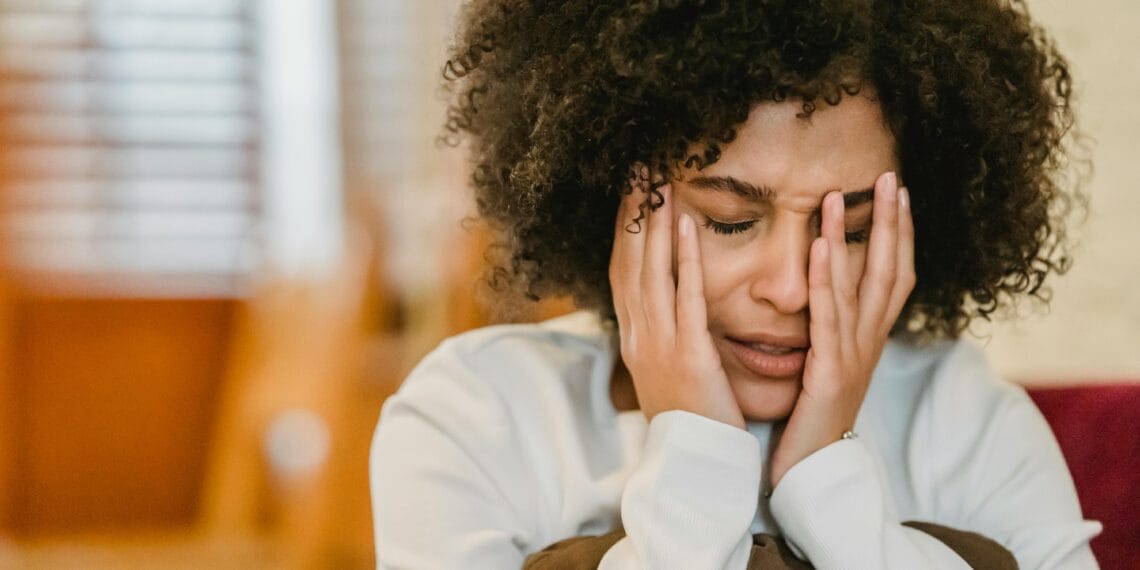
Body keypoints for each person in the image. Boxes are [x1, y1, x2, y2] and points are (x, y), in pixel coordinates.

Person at [370, 0, 1102, 567]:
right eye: (728, 220)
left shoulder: (966, 419)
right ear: (608, 202)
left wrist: (826, 469)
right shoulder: (476, 417)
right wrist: (697, 450)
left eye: (847, 230)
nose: (791, 289)